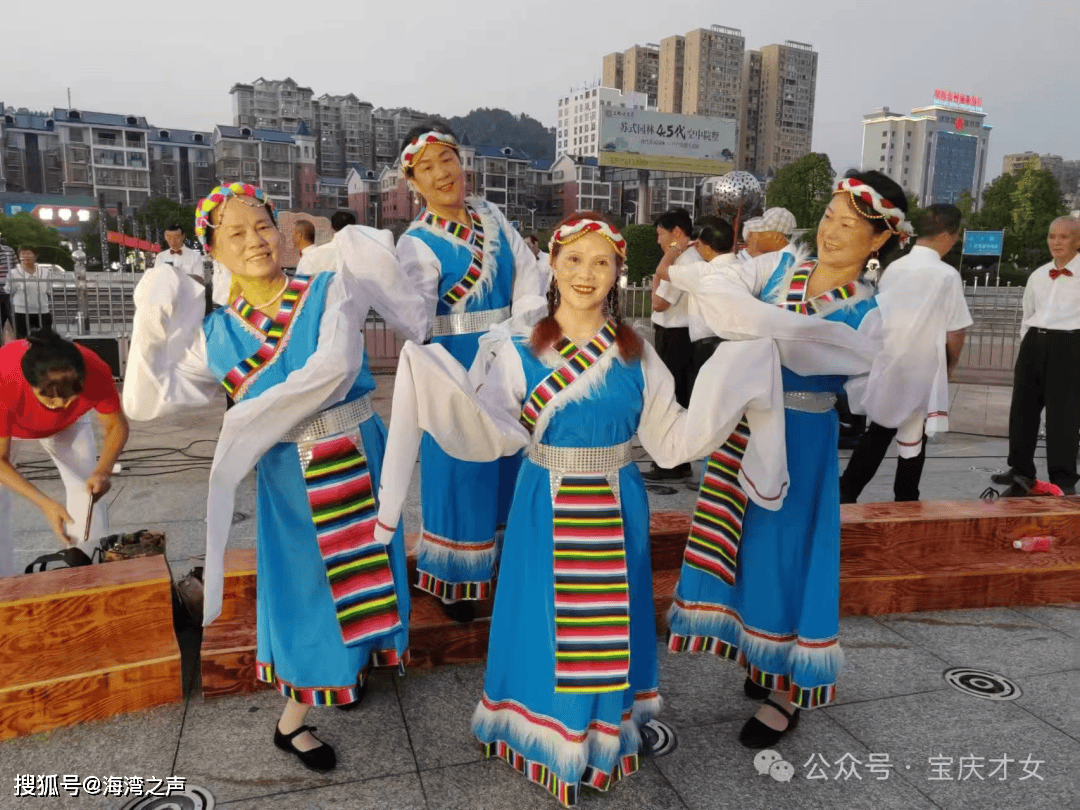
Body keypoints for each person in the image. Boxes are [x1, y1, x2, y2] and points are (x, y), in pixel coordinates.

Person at [374, 212, 786, 807]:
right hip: (544, 499)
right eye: (573, 259)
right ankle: (542, 731)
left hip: (618, 501)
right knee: (542, 617)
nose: (585, 274)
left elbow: (670, 441)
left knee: (611, 621)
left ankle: (605, 730)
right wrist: (437, 385)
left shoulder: (639, 354)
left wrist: (733, 382)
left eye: (601, 262)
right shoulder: (515, 350)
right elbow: (489, 432)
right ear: (553, 267)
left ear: (619, 272)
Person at [123, 182, 415, 772]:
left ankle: (350, 670)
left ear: (281, 233)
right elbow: (146, 401)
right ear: (212, 251)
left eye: (261, 226)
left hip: (358, 451)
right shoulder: (214, 335)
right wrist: (152, 315)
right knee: (309, 591)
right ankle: (291, 723)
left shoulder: (330, 289)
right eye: (235, 233)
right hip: (290, 476)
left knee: (369, 571)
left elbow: (335, 369)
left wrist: (247, 420)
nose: (254, 241)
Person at [656, 170, 912, 748]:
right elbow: (715, 283)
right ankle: (760, 654)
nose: (830, 231)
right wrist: (760, 319)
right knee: (743, 545)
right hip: (745, 427)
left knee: (787, 555)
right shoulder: (780, 266)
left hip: (801, 438)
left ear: (879, 240)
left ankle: (787, 690)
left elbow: (864, 385)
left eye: (848, 225)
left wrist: (760, 324)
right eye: (828, 217)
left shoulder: (869, 311)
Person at [395, 121, 546, 620]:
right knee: (459, 467)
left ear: (462, 162)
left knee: (508, 461)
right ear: (412, 182)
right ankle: (455, 580)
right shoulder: (415, 243)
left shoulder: (492, 214)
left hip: (508, 356)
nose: (442, 173)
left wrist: (524, 326)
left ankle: (501, 568)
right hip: (456, 367)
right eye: (427, 167)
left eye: (447, 160)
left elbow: (527, 272)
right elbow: (416, 321)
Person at [840, 204, 972, 503]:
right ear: (949, 235)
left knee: (880, 429)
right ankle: (905, 497)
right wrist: (950, 367)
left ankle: (847, 492)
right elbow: (956, 331)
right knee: (913, 433)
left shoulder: (895, 268)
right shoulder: (946, 275)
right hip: (923, 365)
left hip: (890, 360)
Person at [0, 330, 129, 575]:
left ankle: (91, 568)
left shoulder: (94, 369)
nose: (59, 405)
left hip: (69, 425)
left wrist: (103, 471)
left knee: (87, 487)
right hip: (11, 425)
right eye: (49, 400)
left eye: (69, 398)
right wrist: (46, 504)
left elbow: (116, 426)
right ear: (30, 385)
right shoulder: (5, 377)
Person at [995, 215, 1080, 495]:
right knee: (1022, 409)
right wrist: (1028, 344)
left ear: (1078, 241)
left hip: (1070, 344)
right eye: (1052, 236)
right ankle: (1020, 472)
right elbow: (1028, 312)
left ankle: (1063, 480)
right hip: (1034, 342)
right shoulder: (1038, 275)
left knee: (1063, 414)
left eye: (1064, 236)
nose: (1056, 242)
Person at [645, 209, 700, 480]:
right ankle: (677, 461)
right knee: (676, 396)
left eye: (660, 234)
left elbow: (659, 302)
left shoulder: (684, 261)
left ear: (677, 232)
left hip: (676, 335)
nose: (658, 241)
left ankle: (672, 464)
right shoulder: (686, 258)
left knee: (672, 397)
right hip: (676, 333)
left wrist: (662, 267)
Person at [8, 248, 57, 339]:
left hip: (42, 310)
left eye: (29, 253)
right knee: (23, 339)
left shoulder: (45, 272)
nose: (26, 256)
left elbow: (49, 289)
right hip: (21, 311)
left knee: (45, 338)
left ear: (35, 256)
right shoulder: (14, 273)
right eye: (23, 254)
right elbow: (8, 290)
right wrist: (19, 285)